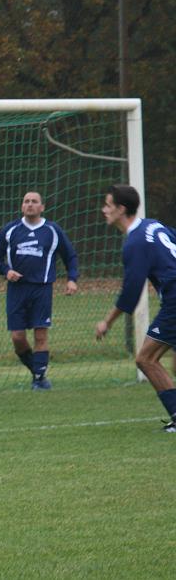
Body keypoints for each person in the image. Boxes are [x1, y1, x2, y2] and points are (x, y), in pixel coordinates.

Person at [94, 184, 176, 434]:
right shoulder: (153, 225)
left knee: (146, 359)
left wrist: (107, 321)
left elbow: (131, 292)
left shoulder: (135, 242)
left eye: (108, 205)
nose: (104, 210)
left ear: (121, 209)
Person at [0, 191, 79, 389]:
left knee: (40, 335)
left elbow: (70, 256)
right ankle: (38, 373)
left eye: (34, 201)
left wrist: (72, 279)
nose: (30, 204)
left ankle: (39, 380)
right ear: (22, 206)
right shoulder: (10, 230)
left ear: (42, 207)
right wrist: (6, 271)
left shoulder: (52, 230)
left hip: (42, 289)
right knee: (17, 338)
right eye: (26, 201)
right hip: (16, 290)